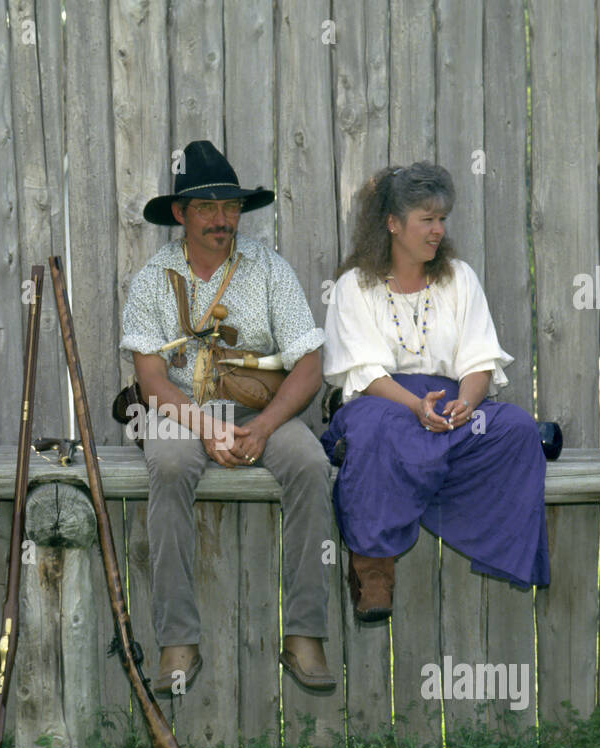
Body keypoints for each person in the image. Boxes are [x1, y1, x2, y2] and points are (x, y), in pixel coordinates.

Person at [120, 139, 336, 693]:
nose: (223, 220)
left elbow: (308, 367)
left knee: (311, 463)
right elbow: (152, 382)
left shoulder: (269, 270)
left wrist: (262, 428)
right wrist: (209, 429)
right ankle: (178, 639)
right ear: (180, 214)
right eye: (207, 208)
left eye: (231, 206)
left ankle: (305, 633)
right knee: (167, 465)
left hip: (263, 410)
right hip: (183, 412)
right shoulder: (151, 279)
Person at [320, 163, 549, 623]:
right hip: (383, 403)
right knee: (382, 432)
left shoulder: (458, 278)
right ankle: (373, 565)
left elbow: (479, 358)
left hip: (449, 406)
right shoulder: (354, 286)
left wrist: (468, 401)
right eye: (427, 219)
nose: (438, 230)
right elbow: (363, 374)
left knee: (517, 429)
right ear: (392, 223)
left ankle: (486, 530)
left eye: (442, 219)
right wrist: (415, 407)